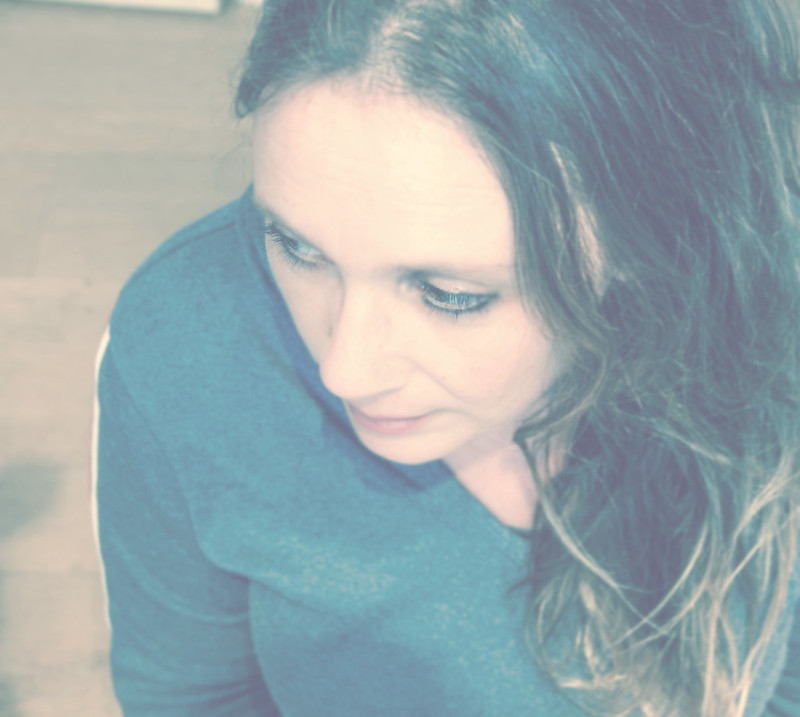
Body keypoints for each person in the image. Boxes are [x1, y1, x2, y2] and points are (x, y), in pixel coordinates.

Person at [93, 0, 800, 715]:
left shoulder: (770, 324)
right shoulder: (190, 344)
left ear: (647, 237)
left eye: (449, 295)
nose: (345, 371)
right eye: (297, 247)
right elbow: (196, 696)